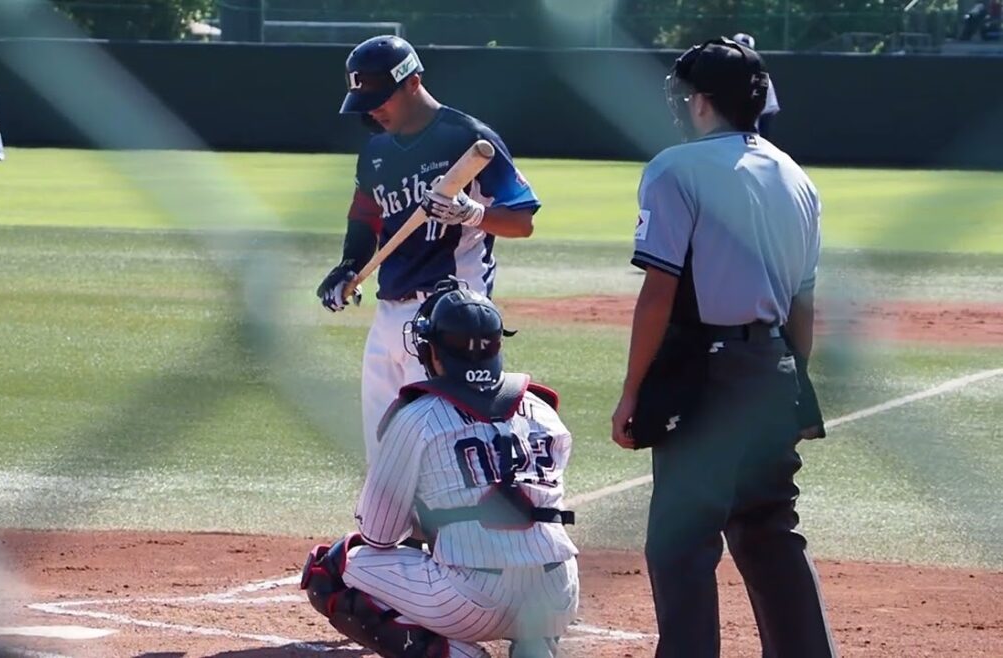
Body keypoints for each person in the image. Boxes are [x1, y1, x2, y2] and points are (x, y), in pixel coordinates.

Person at [608, 37, 835, 657]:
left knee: (681, 540)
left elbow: (659, 291)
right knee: (769, 530)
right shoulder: (795, 176)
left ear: (703, 102)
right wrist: (792, 381)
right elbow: (804, 304)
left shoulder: (675, 169)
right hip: (773, 367)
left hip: (706, 377)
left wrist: (632, 391)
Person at [301, 277, 579, 658]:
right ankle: (537, 645)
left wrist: (428, 514)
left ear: (434, 353)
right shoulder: (543, 411)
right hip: (557, 594)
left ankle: (456, 655)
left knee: (329, 570)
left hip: (471, 601)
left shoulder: (418, 417)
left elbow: (378, 535)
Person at [315, 35, 540, 466]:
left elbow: (522, 220)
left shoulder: (468, 138)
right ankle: (385, 515)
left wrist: (472, 213)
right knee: (382, 453)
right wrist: (348, 266)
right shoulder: (376, 151)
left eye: (380, 99)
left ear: (413, 82)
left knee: (437, 452)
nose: (372, 111)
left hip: (451, 320)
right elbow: (365, 216)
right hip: (389, 313)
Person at [732, 33, 780, 139]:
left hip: (749, 139)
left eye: (746, 50)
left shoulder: (761, 79)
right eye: (739, 49)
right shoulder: (720, 74)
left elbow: (768, 113)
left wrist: (763, 140)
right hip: (722, 139)